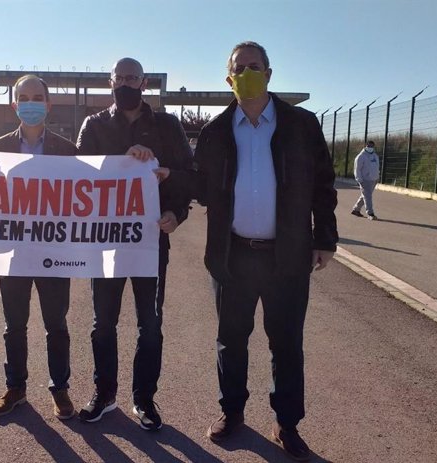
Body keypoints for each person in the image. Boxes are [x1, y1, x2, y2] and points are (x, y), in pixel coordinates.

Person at [163, 41, 338, 460]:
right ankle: (233, 413)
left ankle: (287, 423)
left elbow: (323, 186)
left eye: (254, 67)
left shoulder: (301, 125)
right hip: (233, 255)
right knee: (231, 340)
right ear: (228, 79)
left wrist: (324, 239)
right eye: (238, 69)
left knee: (287, 343)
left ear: (270, 73)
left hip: (288, 255)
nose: (247, 74)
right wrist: (170, 179)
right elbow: (201, 186)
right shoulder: (216, 132)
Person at [76, 57, 193, 431]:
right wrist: (119, 163)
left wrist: (176, 213)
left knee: (150, 325)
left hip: (150, 241)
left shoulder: (167, 125)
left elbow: (187, 176)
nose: (126, 83)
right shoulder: (93, 125)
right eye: (119, 77)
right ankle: (104, 394)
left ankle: (144, 399)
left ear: (145, 83)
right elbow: (76, 175)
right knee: (102, 324)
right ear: (111, 81)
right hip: (106, 244)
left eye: (133, 78)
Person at [0, 75, 78, 420]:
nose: (30, 103)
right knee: (14, 324)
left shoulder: (67, 150)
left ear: (48, 104)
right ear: (14, 105)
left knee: (56, 325)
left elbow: (82, 199)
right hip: (12, 253)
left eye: (37, 97)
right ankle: (15, 388)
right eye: (23, 98)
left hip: (54, 253)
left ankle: (60, 389)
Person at [351, 140, 380, 220]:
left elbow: (376, 167)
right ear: (366, 146)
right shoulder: (361, 156)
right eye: (369, 146)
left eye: (372, 146)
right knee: (368, 197)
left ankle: (356, 209)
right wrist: (359, 179)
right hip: (365, 180)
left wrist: (377, 176)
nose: (370, 147)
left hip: (374, 179)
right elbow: (357, 169)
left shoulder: (375, 156)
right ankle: (370, 213)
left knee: (365, 196)